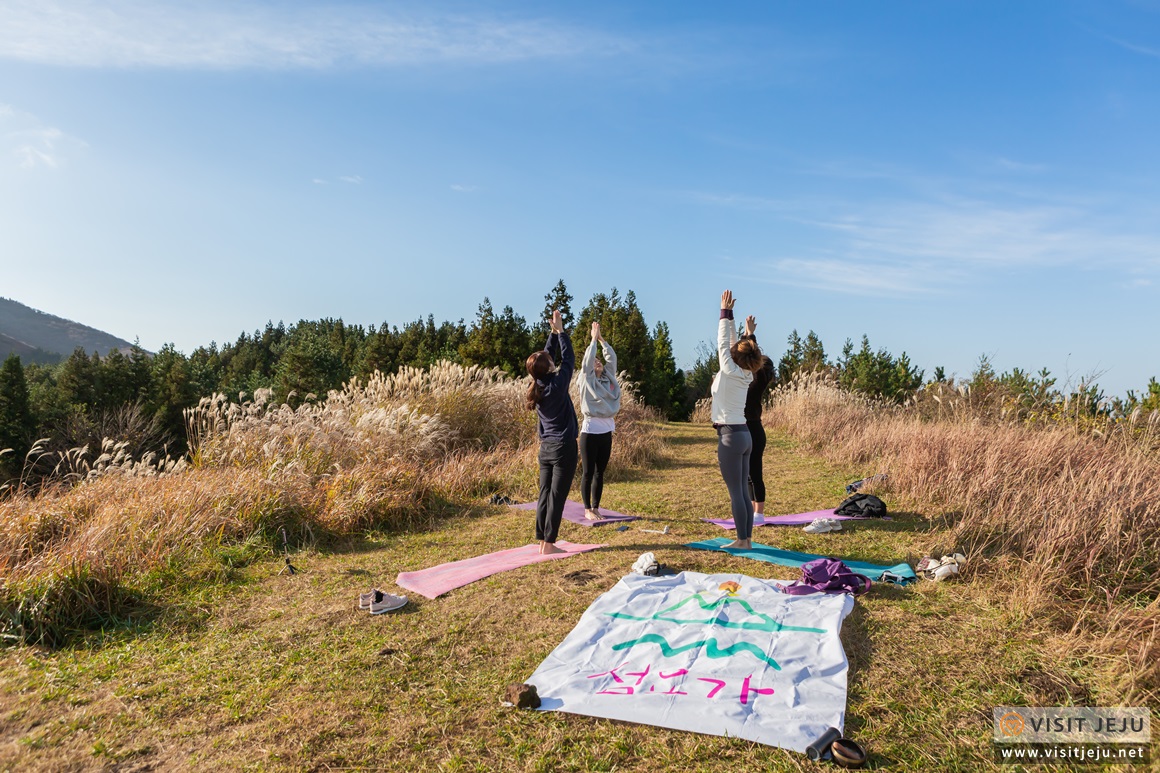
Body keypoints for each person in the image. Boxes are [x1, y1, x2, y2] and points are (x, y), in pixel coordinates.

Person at [710, 290, 765, 550]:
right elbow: (732, 345)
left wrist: (723, 314)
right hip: (744, 435)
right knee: (743, 491)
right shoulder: (745, 372)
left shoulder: (730, 370)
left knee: (737, 493)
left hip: (731, 437)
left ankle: (743, 541)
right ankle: (746, 539)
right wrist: (730, 318)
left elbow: (723, 345)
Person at [525, 309, 579, 555]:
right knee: (556, 497)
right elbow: (569, 359)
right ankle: (548, 544)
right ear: (548, 368)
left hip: (546, 448)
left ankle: (541, 540)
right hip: (563, 448)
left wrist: (554, 332)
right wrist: (562, 333)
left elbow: (549, 357)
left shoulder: (537, 385)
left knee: (544, 494)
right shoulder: (556, 385)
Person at [578, 321, 621, 520]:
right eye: (594, 360)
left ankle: (596, 507)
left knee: (600, 472)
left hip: (606, 431)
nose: (597, 362)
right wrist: (593, 340)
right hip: (590, 431)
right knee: (588, 472)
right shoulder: (587, 379)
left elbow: (611, 358)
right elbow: (587, 361)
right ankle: (587, 509)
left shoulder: (608, 378)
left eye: (599, 361)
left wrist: (603, 340)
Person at [740, 316, 776, 524]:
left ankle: (759, 514)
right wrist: (746, 336)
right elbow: (744, 358)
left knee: (755, 472)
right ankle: (753, 512)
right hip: (745, 428)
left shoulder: (760, 378)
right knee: (746, 474)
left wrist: (750, 335)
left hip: (753, 429)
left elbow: (752, 357)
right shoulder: (746, 379)